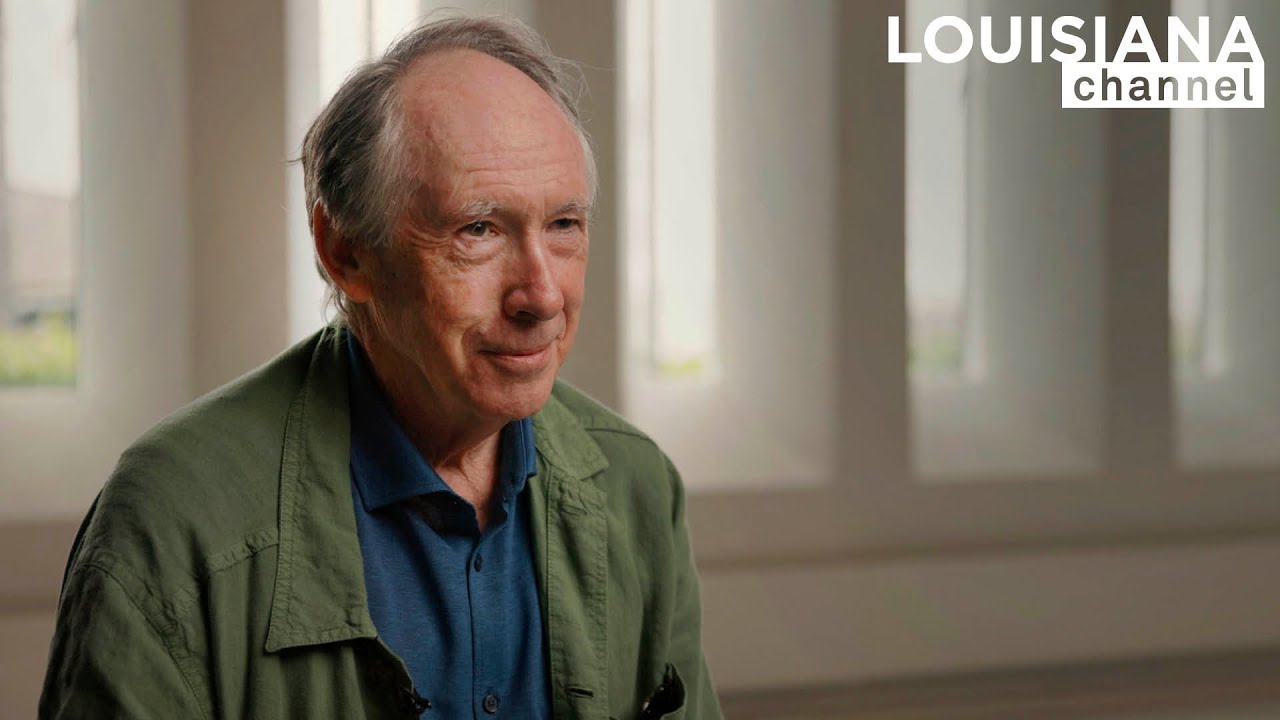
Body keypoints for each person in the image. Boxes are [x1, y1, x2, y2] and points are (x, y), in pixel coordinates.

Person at [40, 15, 721, 719]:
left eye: (564, 225)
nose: (543, 296)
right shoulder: (171, 520)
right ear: (345, 252)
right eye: (479, 229)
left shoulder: (639, 491)